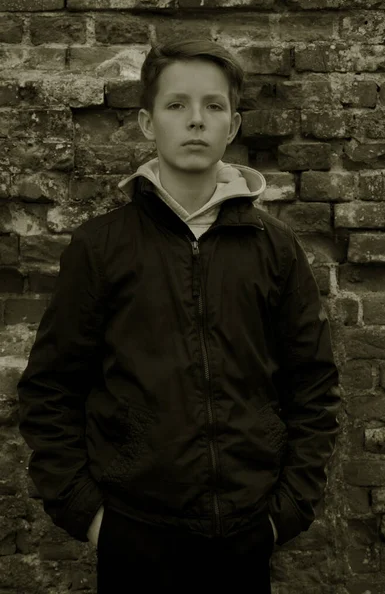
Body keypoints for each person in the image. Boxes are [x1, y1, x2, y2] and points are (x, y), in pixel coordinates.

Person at [17, 38, 341, 593]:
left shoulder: (275, 247)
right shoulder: (101, 247)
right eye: (177, 105)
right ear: (147, 123)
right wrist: (91, 518)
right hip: (134, 533)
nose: (196, 121)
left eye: (214, 107)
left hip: (245, 532)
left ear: (233, 127)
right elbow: (51, 388)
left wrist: (282, 515)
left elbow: (312, 386)